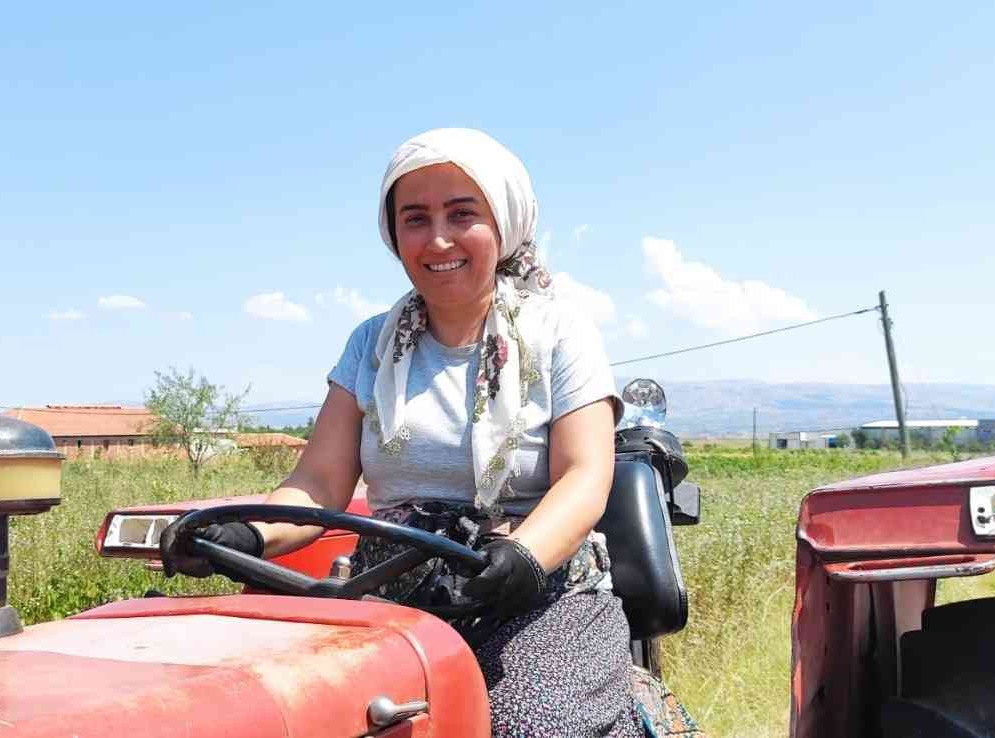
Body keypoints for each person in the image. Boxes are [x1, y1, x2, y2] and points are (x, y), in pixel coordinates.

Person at [161, 128, 653, 736]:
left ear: (504, 222)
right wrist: (246, 534)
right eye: (415, 218)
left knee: (527, 723)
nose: (438, 238)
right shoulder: (371, 344)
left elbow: (584, 476)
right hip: (393, 594)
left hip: (536, 594)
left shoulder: (559, 331)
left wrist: (522, 557)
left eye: (462, 214)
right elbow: (318, 484)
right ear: (394, 234)